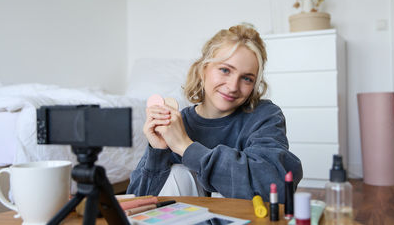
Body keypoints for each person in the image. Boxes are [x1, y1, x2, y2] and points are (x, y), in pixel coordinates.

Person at [127, 25, 302, 203]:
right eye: (225, 70)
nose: (233, 86)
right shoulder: (179, 124)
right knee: (178, 174)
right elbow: (135, 204)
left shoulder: (264, 116)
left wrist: (186, 147)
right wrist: (158, 152)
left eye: (247, 78)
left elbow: (275, 189)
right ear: (203, 70)